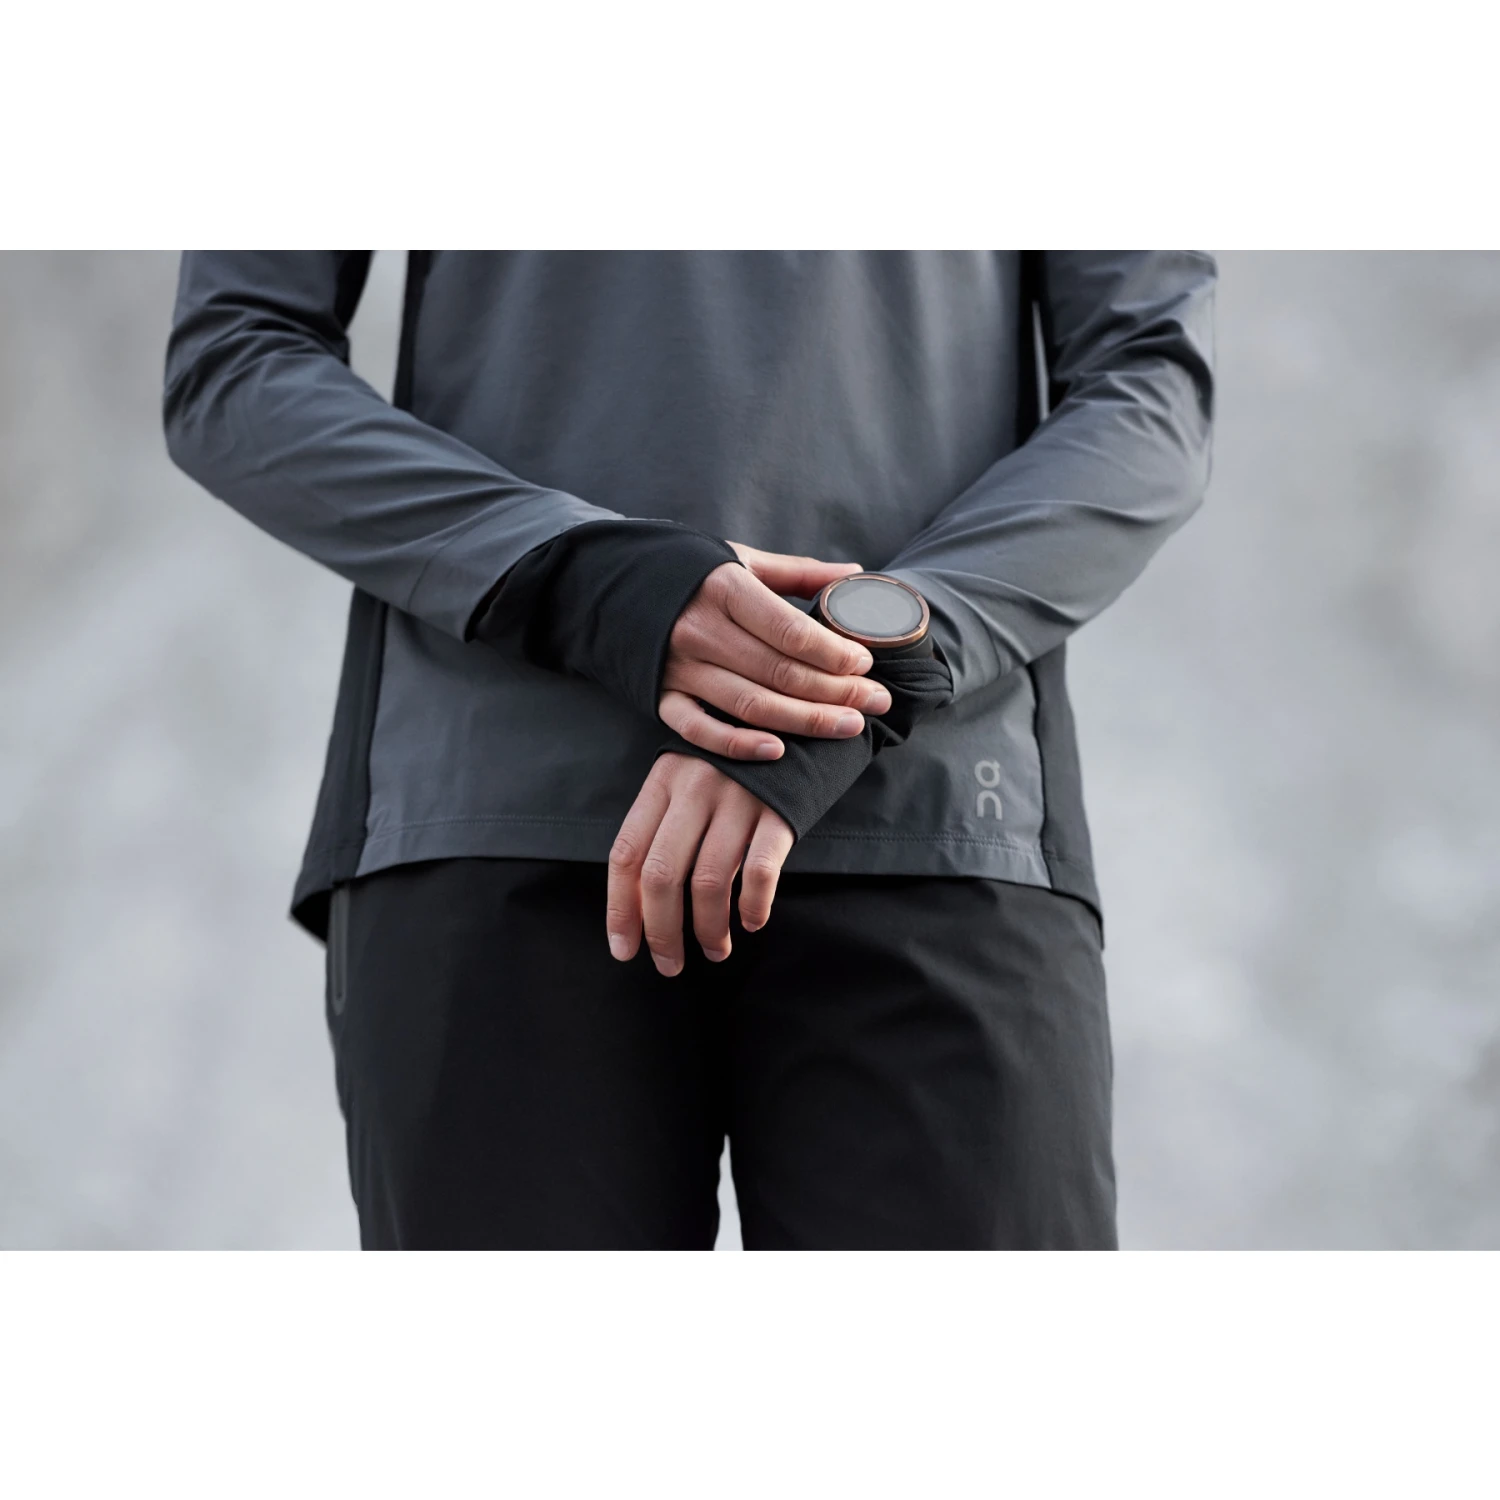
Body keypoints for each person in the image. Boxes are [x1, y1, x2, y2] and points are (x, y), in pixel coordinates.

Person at [163, 251, 1215, 1249]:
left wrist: (865, 672)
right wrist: (594, 584)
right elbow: (236, 361)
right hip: (499, 823)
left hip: (937, 825)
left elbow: (1146, 390)